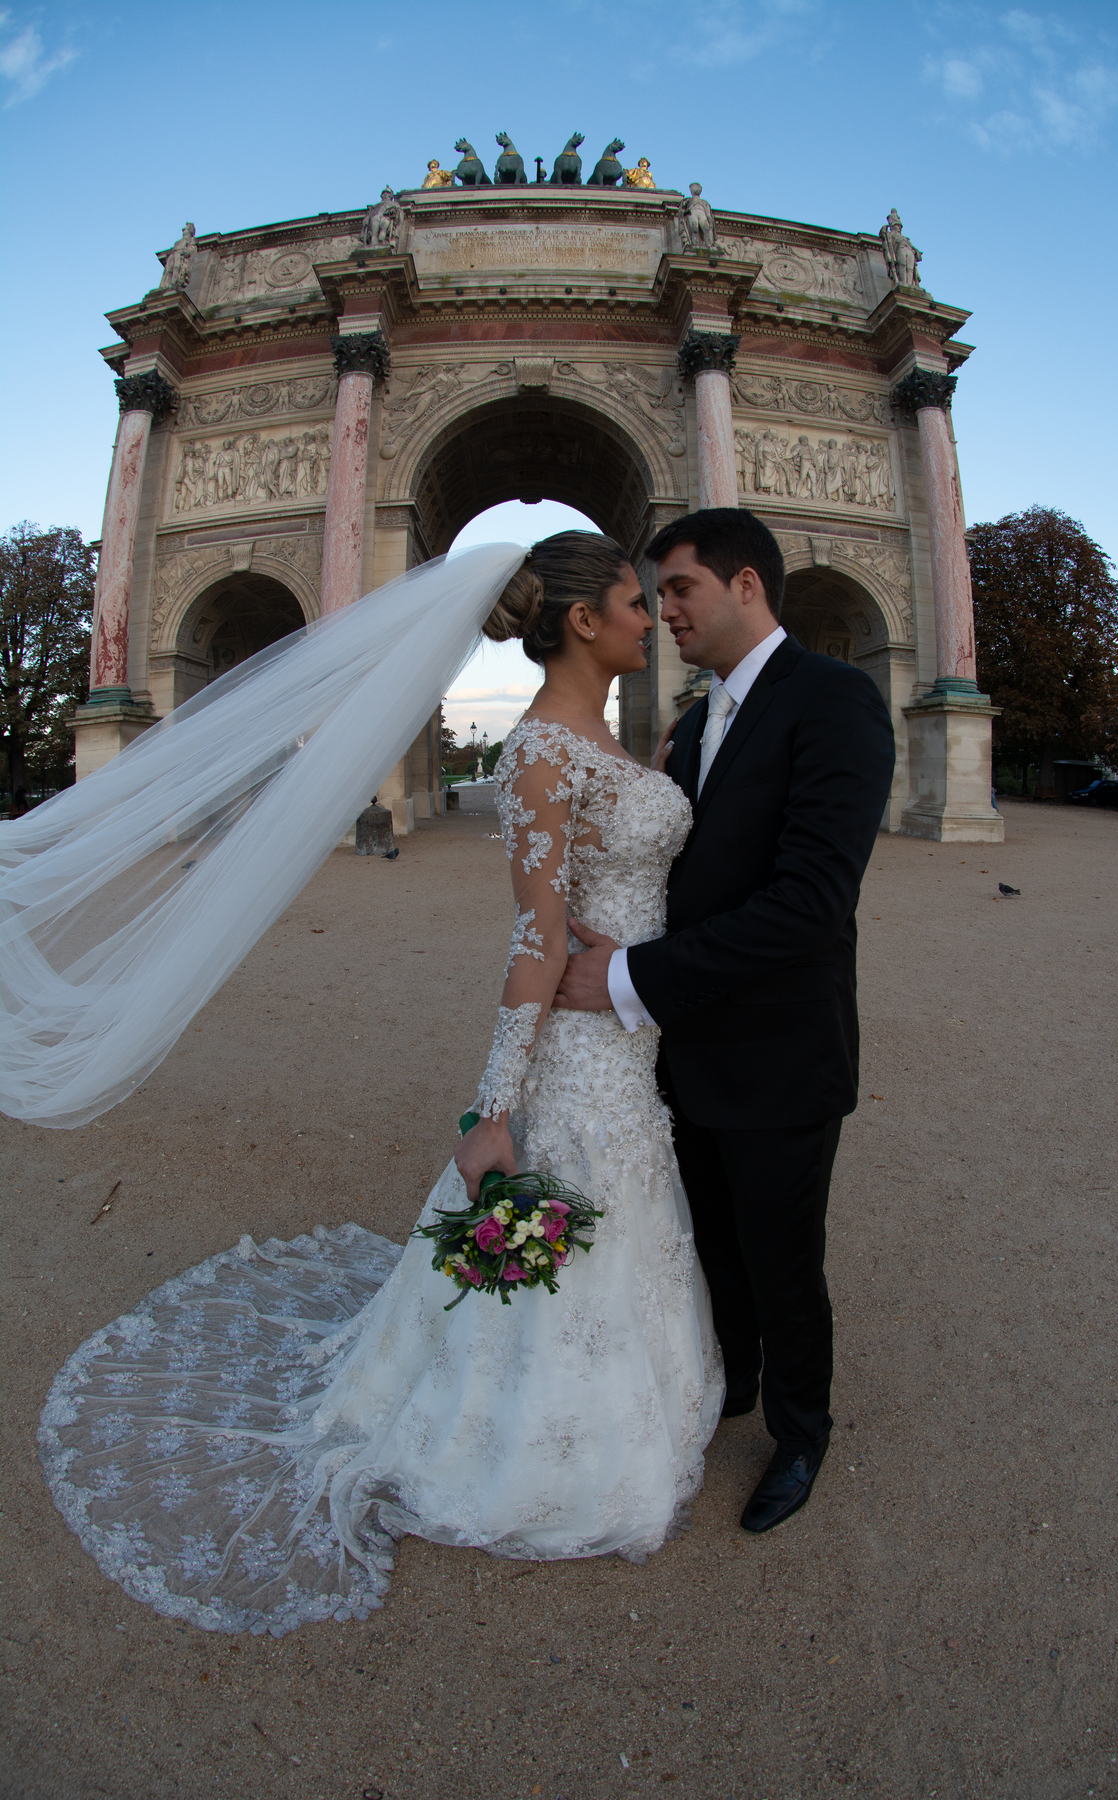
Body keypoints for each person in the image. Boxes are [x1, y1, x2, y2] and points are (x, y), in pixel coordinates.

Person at [35, 533, 722, 1637]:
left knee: (626, 1221)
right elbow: (534, 940)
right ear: (586, 621)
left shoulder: (618, 738)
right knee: (588, 1208)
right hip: (585, 1052)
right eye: (639, 605)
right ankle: (544, 1437)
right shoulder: (544, 749)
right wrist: (493, 1112)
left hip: (636, 1023)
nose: (654, 620)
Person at [553, 508, 895, 1534]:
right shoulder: (697, 724)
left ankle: (800, 1432)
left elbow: (809, 903)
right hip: (686, 1050)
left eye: (681, 590)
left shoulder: (837, 702)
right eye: (654, 597)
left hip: (782, 1053)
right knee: (714, 1248)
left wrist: (632, 977)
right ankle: (730, 1388)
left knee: (785, 1260)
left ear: (747, 585)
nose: (666, 613)